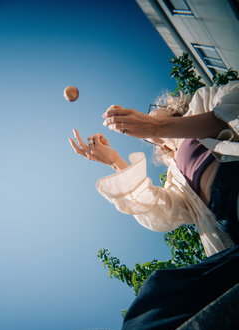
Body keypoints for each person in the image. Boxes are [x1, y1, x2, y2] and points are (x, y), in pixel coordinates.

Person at [69, 80, 239, 256]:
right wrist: (113, 160)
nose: (147, 116)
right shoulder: (174, 176)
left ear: (172, 111)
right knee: (156, 284)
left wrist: (157, 127)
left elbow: (234, 108)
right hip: (228, 224)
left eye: (151, 112)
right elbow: (160, 214)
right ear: (162, 148)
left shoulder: (202, 102)